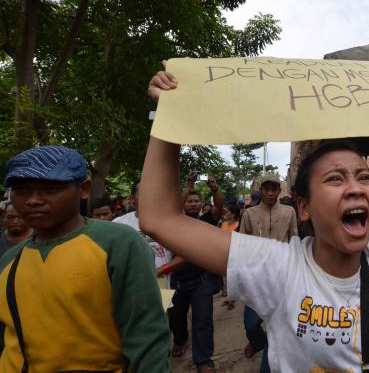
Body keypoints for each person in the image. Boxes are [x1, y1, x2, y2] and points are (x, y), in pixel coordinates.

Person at [141, 68, 369, 372]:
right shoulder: (277, 266)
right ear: (303, 207)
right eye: (335, 179)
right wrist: (167, 117)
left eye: (364, 177)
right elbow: (159, 218)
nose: (355, 188)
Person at [0, 145, 169, 372]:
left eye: (50, 188)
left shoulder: (118, 243)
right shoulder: (9, 260)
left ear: (84, 189)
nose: (33, 200)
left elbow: (147, 334)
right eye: (21, 190)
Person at [239, 173, 298, 371]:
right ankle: (258, 343)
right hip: (256, 276)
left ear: (279, 191)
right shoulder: (249, 213)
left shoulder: (289, 212)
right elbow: (242, 244)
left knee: (276, 327)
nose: (270, 193)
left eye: (274, 189)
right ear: (261, 191)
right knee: (251, 323)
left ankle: (268, 362)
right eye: (267, 189)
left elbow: (294, 240)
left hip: (281, 275)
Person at [168, 171, 224, 372]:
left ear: (201, 204)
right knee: (176, 318)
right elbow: (174, 206)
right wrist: (189, 185)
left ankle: (203, 360)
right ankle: (180, 340)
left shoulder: (208, 220)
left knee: (203, 321)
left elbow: (219, 206)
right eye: (189, 200)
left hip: (202, 280)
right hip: (177, 280)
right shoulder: (174, 222)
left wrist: (214, 188)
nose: (192, 203)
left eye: (195, 201)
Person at [114, 180, 174, 288]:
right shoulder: (118, 223)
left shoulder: (169, 222)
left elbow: (185, 255)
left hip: (160, 284)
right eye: (144, 193)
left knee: (160, 305)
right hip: (127, 286)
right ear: (132, 199)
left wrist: (161, 269)